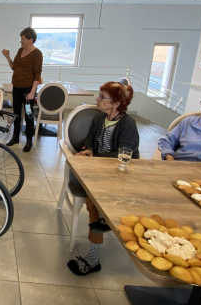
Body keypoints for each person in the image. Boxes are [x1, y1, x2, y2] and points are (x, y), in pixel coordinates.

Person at [68, 82, 139, 277]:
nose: (97, 99)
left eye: (102, 96)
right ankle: (103, 221)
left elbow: (124, 155)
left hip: (120, 174)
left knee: (94, 202)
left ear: (115, 103)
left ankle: (93, 259)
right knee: (94, 202)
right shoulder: (100, 117)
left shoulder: (128, 124)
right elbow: (90, 138)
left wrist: (95, 158)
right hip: (98, 170)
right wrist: (88, 149)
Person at [2, 27, 43, 153]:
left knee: (29, 115)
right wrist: (8, 57)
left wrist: (32, 92)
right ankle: (15, 136)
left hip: (27, 90)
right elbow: (15, 67)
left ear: (31, 40)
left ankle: (29, 139)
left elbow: (37, 74)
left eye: (23, 39)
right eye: (21, 38)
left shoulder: (37, 54)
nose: (21, 41)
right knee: (16, 113)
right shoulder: (20, 50)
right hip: (16, 87)